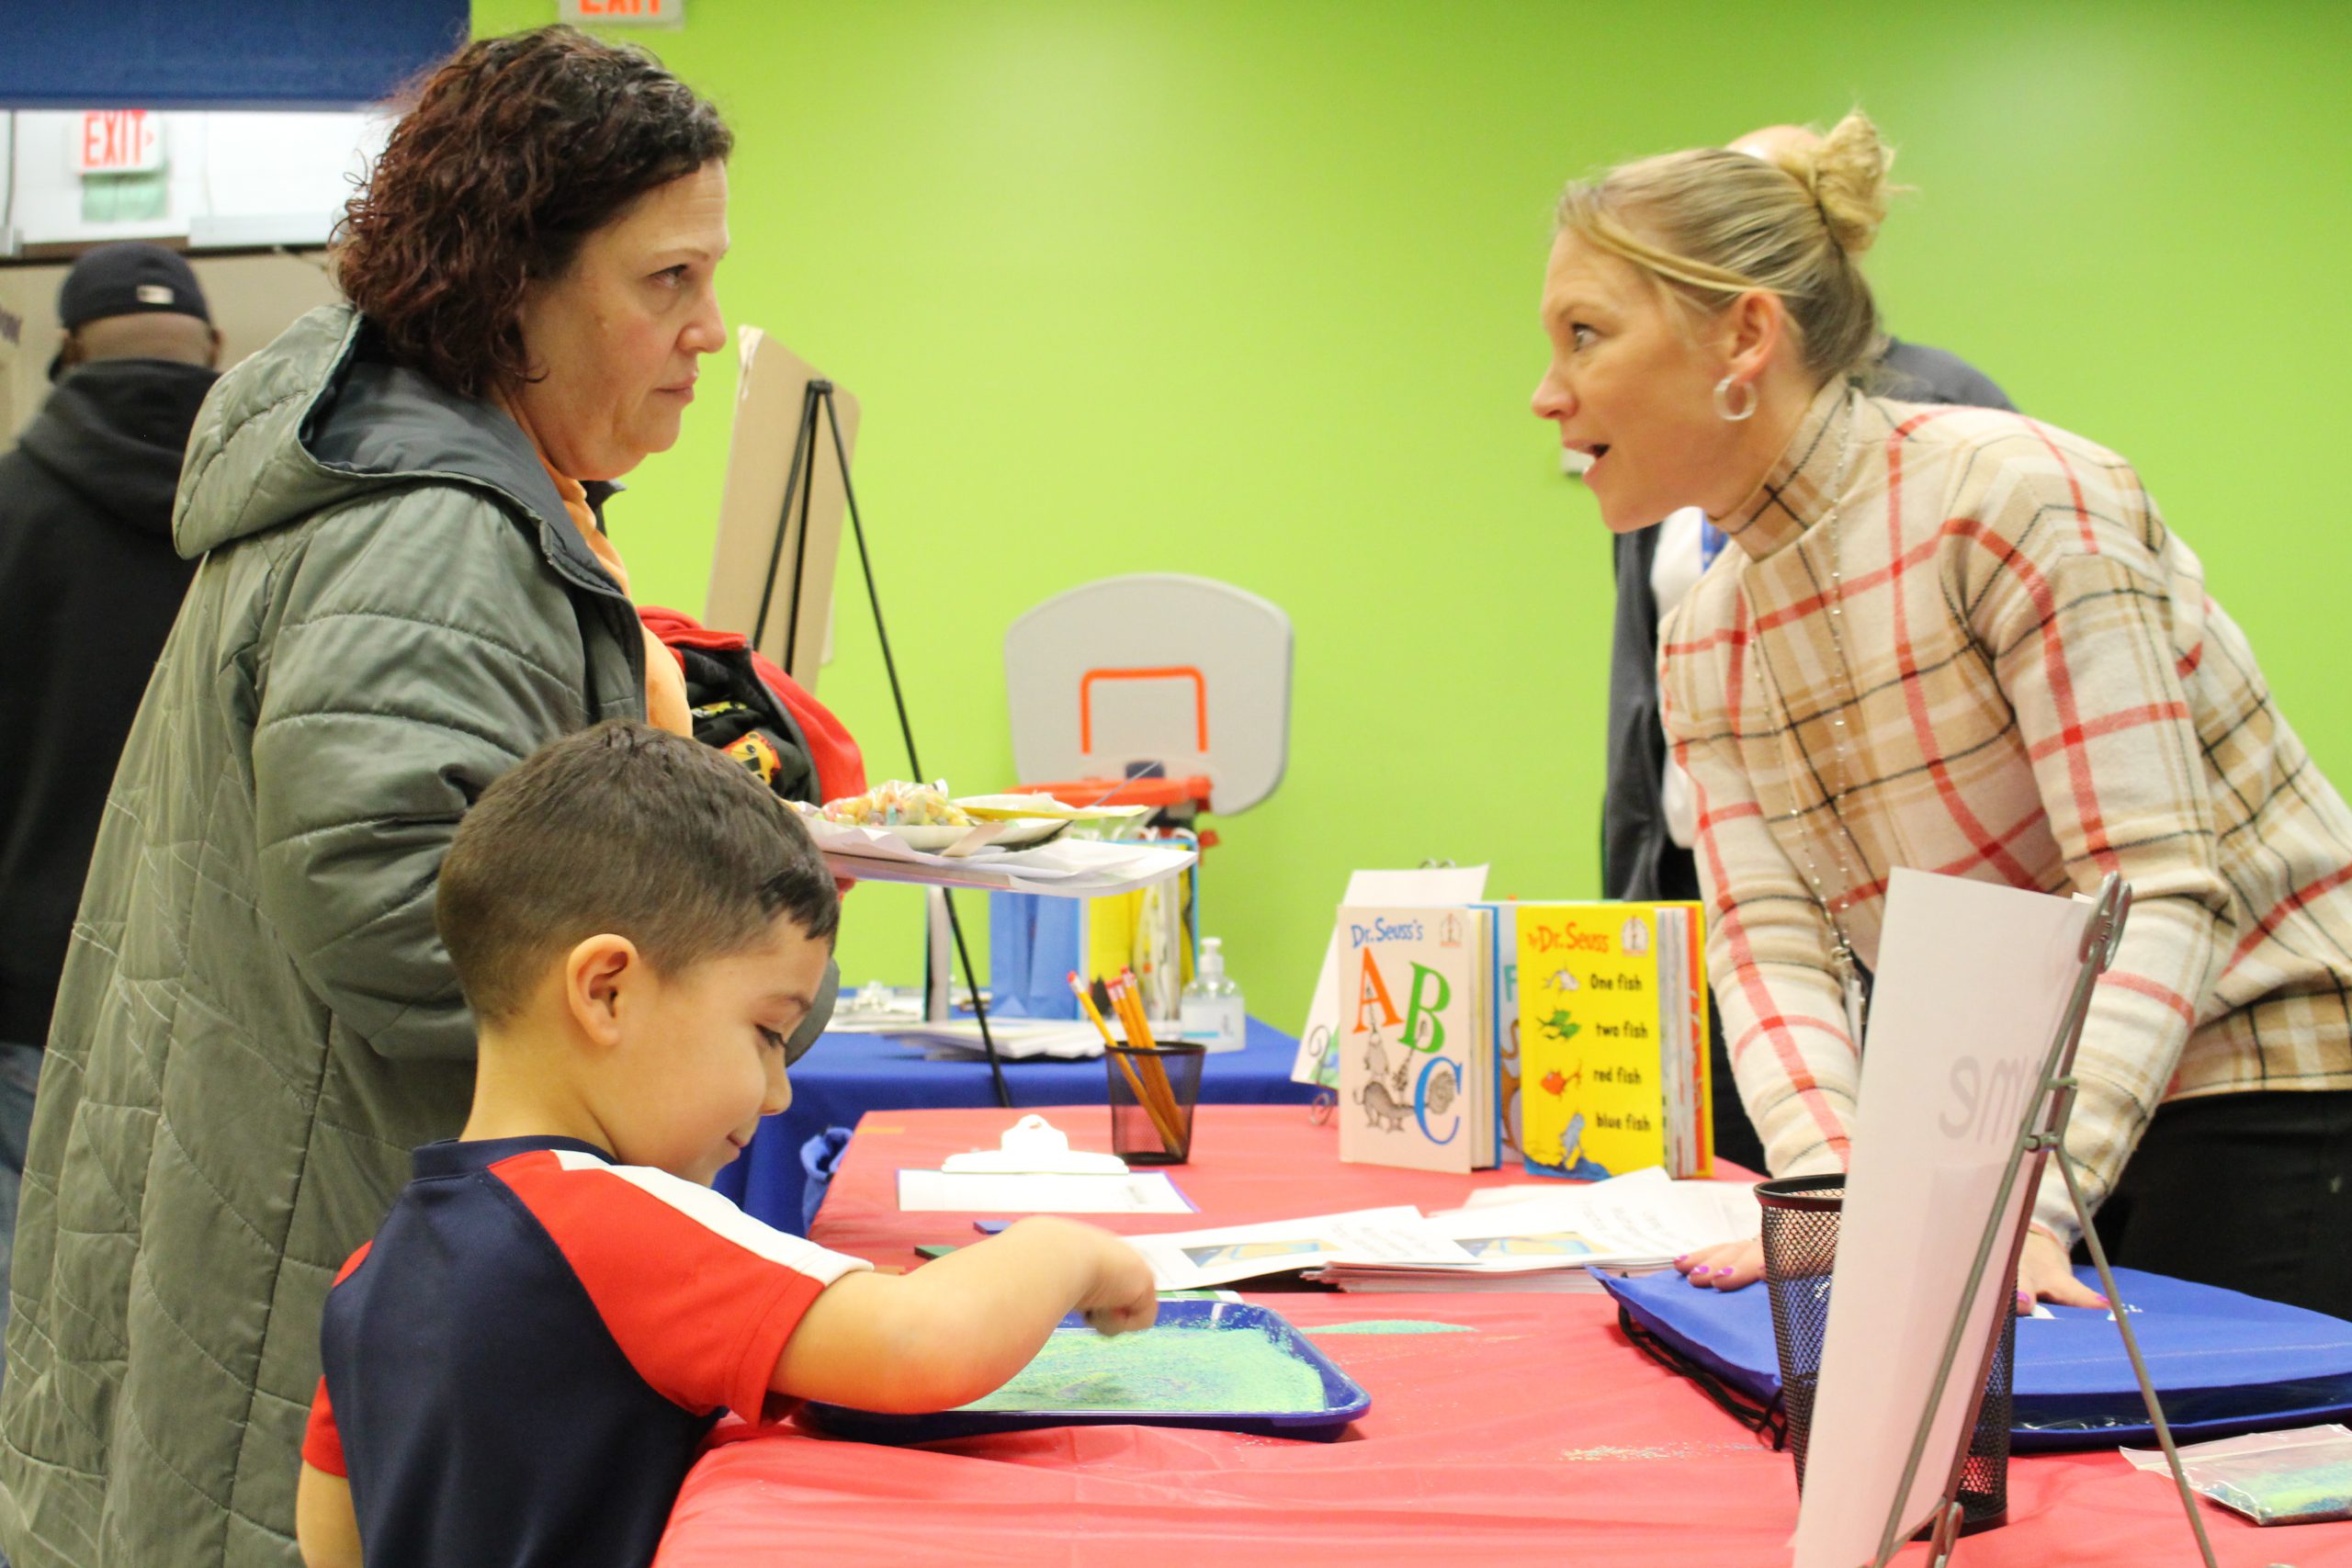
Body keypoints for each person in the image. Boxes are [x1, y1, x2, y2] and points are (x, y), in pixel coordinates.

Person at [0, 28, 792, 1566]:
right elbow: (393, 901)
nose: (707, 330)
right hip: (307, 1254)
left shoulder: (448, 486)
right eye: (665, 283)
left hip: (292, 1232)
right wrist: (726, 984)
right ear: (518, 287)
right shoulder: (429, 529)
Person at [1533, 113, 2352, 1318]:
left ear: (1743, 336)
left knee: (2170, 1471)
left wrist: (2023, 1205)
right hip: (2028, 1103)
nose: (1548, 394)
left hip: (2259, 1077)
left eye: (1585, 336)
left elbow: (2152, 886)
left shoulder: (2011, 500)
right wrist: (1830, 1185)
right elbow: (1770, 939)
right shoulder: (1710, 630)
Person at [290, 723, 1155, 1568]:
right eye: (768, 1031)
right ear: (607, 992)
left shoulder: (368, 1275)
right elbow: (921, 1342)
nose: (778, 1092)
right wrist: (1065, 1249)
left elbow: (332, 1541)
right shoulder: (613, 1222)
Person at [1598, 127, 2015, 1175]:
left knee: (1907, 1168)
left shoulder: (1940, 410)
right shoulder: (1670, 451)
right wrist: (1632, 875)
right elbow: (1646, 689)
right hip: (1713, 865)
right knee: (1754, 1158)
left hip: (1888, 880)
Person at [0, 243, 220, 1347]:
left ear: (64, 355)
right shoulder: (265, 521)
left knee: (34, 1338)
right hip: (226, 1002)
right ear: (217, 354)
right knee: (199, 1346)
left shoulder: (9, 511)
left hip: (33, 1003)